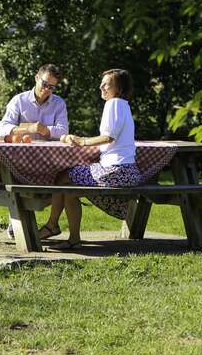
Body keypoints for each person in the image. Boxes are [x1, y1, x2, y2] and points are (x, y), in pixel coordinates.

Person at [40, 68, 142, 248]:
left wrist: (82, 141)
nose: (101, 86)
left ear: (118, 88)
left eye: (107, 84)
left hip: (116, 172)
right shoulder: (123, 105)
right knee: (66, 182)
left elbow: (109, 137)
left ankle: (61, 232)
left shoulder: (114, 104)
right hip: (127, 171)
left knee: (65, 179)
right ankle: (60, 231)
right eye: (102, 83)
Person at [0, 64, 69, 142]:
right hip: (20, 150)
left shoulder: (59, 103)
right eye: (44, 84)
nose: (46, 89)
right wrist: (28, 129)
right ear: (37, 78)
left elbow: (64, 132)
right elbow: (2, 128)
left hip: (49, 152)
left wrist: (45, 130)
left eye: (51, 87)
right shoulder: (19, 100)